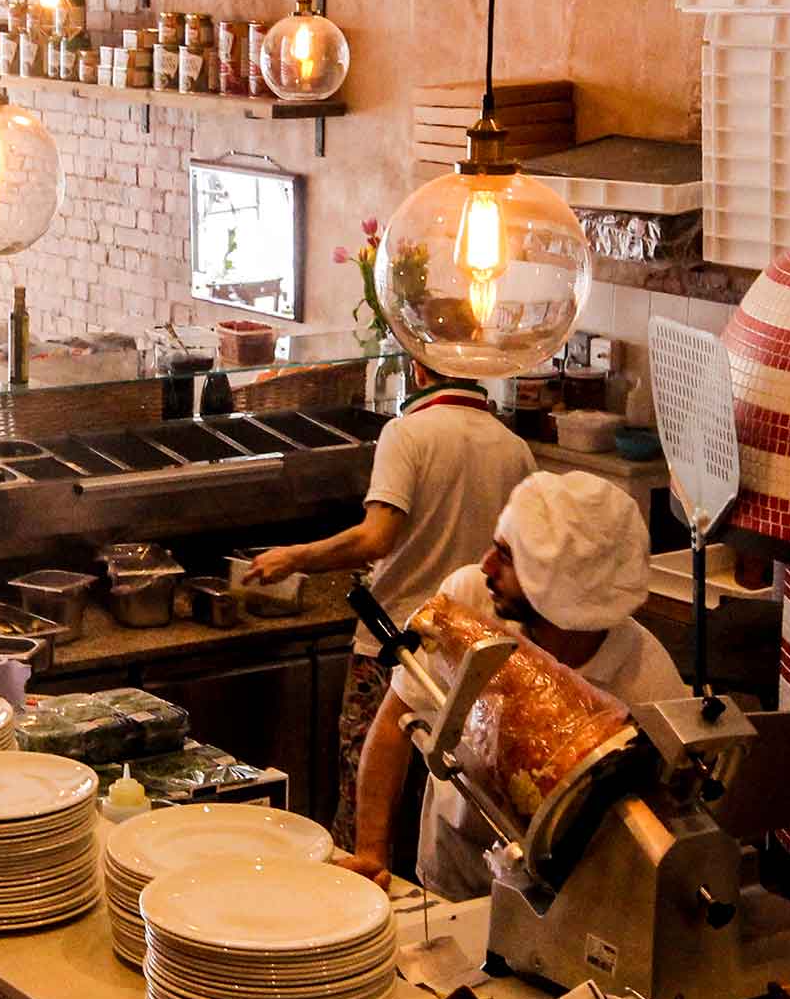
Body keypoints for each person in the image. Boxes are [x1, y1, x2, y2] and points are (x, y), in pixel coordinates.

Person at [240, 360, 533, 847]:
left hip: (394, 645)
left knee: (366, 805)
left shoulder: (407, 433)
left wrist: (294, 557)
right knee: (443, 802)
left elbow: (376, 538)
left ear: (417, 370)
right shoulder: (514, 447)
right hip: (473, 654)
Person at [355, 470, 689, 897]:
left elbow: (670, 815)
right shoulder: (468, 602)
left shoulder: (644, 675)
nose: (485, 566)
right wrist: (371, 852)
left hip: (569, 895)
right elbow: (394, 724)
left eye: (506, 557)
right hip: (456, 874)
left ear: (559, 588)